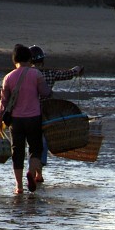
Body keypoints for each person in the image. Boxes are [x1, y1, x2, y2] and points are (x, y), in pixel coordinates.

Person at [0, 44, 51, 194]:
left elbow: (3, 102)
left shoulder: (8, 77)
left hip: (16, 121)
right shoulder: (36, 74)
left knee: (17, 152)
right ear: (29, 59)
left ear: (15, 60)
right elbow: (45, 93)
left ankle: (19, 187)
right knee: (35, 149)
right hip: (34, 118)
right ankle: (31, 174)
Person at [28, 44, 84, 184]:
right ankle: (38, 173)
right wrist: (76, 69)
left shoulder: (26, 74)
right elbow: (68, 74)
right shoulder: (50, 73)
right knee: (43, 142)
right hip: (46, 112)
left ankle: (34, 171)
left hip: (28, 112)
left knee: (33, 143)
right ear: (42, 61)